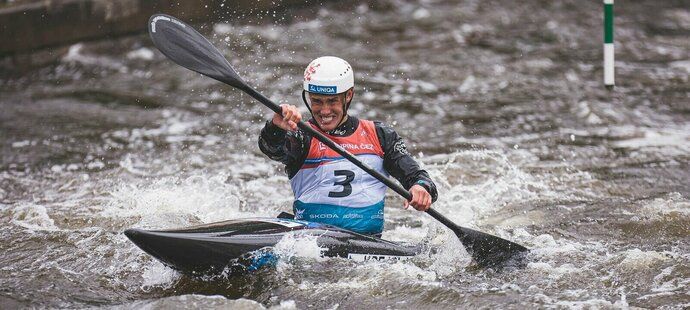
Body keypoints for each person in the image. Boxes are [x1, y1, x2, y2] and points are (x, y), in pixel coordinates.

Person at [259, 56, 438, 236]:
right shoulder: (302, 135)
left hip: (367, 242)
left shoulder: (380, 135)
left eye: (332, 101)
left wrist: (421, 187)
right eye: (317, 101)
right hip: (309, 243)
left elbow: (417, 176)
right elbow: (272, 149)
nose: (325, 111)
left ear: (349, 95)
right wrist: (275, 128)